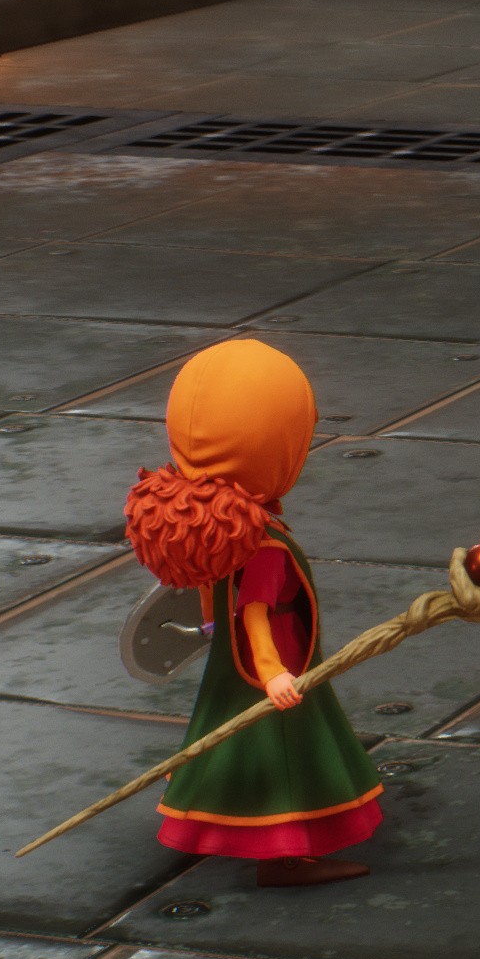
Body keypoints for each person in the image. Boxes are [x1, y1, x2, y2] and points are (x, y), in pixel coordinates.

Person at [120, 339, 383, 886]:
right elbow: (256, 611)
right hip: (276, 656)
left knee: (234, 738)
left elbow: (213, 592)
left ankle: (236, 823)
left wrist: (213, 629)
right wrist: (272, 672)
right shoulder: (263, 544)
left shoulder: (221, 525)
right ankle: (286, 855)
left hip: (230, 654)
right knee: (283, 745)